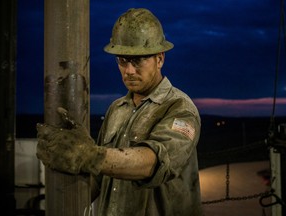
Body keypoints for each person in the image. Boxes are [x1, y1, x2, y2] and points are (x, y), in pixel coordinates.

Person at [36, 8, 203, 216]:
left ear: (160, 59)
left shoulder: (179, 108)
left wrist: (89, 155)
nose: (129, 70)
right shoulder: (116, 109)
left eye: (138, 60)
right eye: (122, 61)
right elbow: (98, 179)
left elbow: (154, 163)